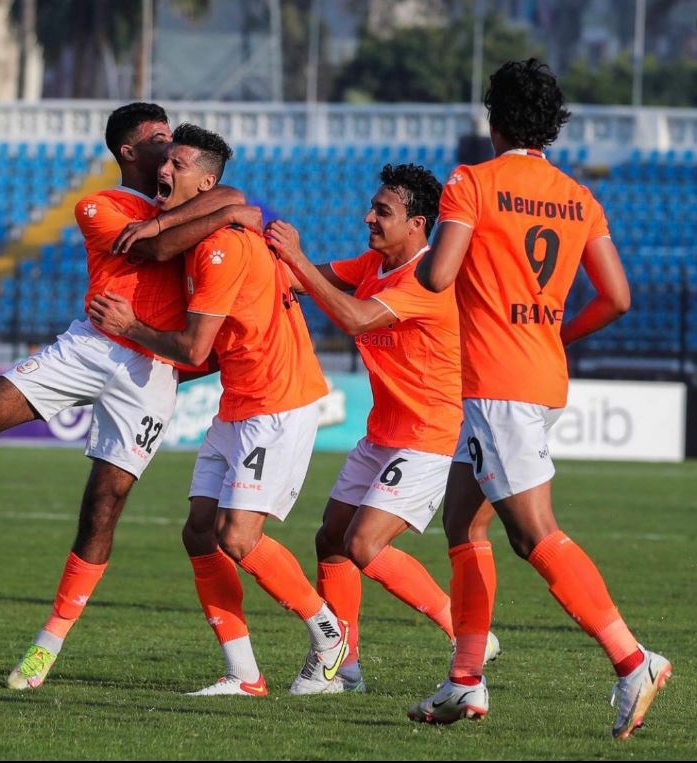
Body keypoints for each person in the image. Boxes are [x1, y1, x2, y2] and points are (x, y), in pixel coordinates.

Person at [0, 102, 258, 691]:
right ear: (128, 152)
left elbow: (236, 196)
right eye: (159, 138)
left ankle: (46, 646)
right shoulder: (99, 205)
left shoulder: (181, 205)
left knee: (103, 507)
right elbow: (155, 251)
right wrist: (222, 212)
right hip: (92, 346)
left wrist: (219, 207)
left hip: (153, 369)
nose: (172, 144)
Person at [407, 59, 670, 739]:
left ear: (493, 119)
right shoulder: (577, 196)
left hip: (498, 383)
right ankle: (465, 678)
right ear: (552, 125)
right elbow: (617, 297)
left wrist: (447, 235)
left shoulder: (473, 182)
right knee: (463, 521)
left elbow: (437, 275)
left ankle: (632, 658)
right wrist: (557, 329)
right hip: (540, 375)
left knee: (533, 533)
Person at [88, 123, 349, 698]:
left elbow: (194, 349)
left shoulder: (222, 247)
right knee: (200, 532)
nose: (165, 169)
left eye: (178, 164)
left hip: (276, 401)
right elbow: (212, 349)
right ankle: (245, 674)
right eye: (166, 161)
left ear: (204, 183)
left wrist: (130, 329)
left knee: (236, 534)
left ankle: (329, 635)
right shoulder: (209, 236)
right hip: (242, 399)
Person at [265, 164, 500, 693]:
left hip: (432, 434)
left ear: (417, 224)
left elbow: (353, 317)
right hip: (384, 432)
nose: (369, 217)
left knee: (364, 545)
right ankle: (343, 669)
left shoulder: (426, 278)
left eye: (383, 212)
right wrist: (254, 258)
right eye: (373, 206)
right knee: (331, 539)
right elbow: (305, 280)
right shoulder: (373, 262)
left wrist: (295, 256)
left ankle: (467, 633)